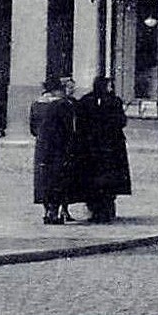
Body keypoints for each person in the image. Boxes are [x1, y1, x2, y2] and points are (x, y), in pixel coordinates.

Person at [76, 76, 132, 224]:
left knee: (107, 181)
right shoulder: (87, 101)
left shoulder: (113, 101)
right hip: (95, 149)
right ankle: (96, 209)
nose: (111, 89)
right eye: (108, 86)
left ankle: (105, 210)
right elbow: (81, 123)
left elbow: (121, 121)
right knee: (96, 181)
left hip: (107, 149)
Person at [29, 75, 79, 225]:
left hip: (42, 147)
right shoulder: (63, 105)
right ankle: (55, 212)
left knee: (43, 178)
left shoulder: (36, 104)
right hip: (59, 147)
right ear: (59, 89)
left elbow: (32, 129)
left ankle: (46, 211)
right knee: (59, 178)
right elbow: (70, 129)